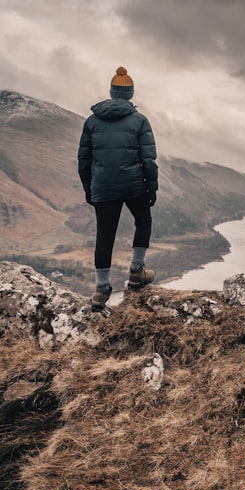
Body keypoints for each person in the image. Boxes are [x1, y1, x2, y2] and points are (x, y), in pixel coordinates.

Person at [77, 66, 159, 309]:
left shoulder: (91, 122)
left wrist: (88, 188)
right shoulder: (140, 121)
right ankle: (136, 271)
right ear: (131, 93)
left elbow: (84, 160)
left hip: (103, 187)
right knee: (143, 221)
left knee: (105, 235)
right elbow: (148, 160)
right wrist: (151, 188)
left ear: (111, 92)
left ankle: (101, 290)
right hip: (134, 185)